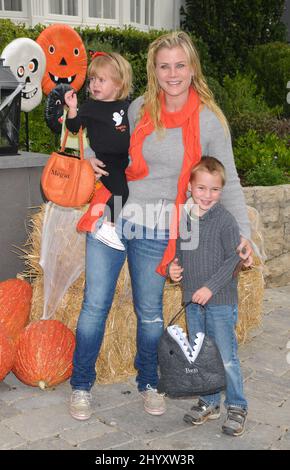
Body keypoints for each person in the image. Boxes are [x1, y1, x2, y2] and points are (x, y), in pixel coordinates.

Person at [68, 31, 253, 421]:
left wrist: (244, 237)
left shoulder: (209, 120)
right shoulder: (138, 109)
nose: (172, 74)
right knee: (94, 306)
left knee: (149, 312)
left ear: (192, 69)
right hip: (114, 212)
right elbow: (97, 134)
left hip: (158, 227)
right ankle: (81, 385)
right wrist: (85, 160)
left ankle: (148, 382)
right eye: (164, 65)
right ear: (154, 70)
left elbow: (230, 180)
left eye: (180, 65)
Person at [169, 156, 248, 437]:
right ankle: (210, 402)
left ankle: (237, 405)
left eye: (214, 189)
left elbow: (234, 260)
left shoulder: (225, 220)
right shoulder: (187, 218)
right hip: (193, 301)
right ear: (190, 187)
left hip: (220, 302)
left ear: (221, 191)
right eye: (201, 188)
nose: (207, 195)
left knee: (226, 356)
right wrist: (174, 269)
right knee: (202, 355)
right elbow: (181, 252)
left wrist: (210, 288)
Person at [65, 51, 132, 250]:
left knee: (128, 189)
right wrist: (73, 109)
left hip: (124, 160)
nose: (94, 84)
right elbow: (73, 128)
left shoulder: (128, 107)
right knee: (121, 191)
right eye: (92, 79)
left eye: (101, 80)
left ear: (118, 83)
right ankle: (108, 227)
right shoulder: (90, 108)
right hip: (105, 162)